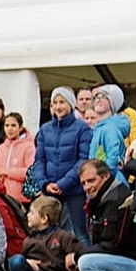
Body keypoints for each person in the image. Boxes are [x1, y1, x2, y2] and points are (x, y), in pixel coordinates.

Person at [69, 160, 136, 271]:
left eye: (91, 181)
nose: (87, 187)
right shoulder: (102, 199)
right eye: (84, 183)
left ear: (106, 175)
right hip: (129, 261)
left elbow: (112, 245)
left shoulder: (117, 199)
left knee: (87, 263)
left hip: (134, 261)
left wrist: (76, 257)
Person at [33, 86, 92, 247]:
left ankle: (84, 267)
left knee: (80, 232)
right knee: (49, 233)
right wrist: (44, 183)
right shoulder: (45, 130)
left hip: (75, 190)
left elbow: (83, 160)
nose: (58, 107)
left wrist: (63, 184)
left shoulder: (82, 128)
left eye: (62, 102)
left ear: (71, 105)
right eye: (55, 102)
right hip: (49, 189)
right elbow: (39, 160)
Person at [9, 196, 84, 271]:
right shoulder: (29, 240)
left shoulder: (64, 237)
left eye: (32, 213)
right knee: (15, 260)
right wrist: (28, 263)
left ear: (44, 219)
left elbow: (79, 262)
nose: (27, 215)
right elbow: (20, 266)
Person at [0, 112, 36, 205]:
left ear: (20, 128)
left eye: (13, 125)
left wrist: (7, 172)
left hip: (22, 198)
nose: (10, 129)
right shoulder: (0, 148)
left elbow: (30, 171)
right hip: (3, 197)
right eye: (7, 125)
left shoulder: (29, 146)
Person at [89, 84, 129, 186]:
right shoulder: (99, 128)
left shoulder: (109, 128)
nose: (98, 100)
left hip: (110, 183)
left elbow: (112, 158)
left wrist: (103, 180)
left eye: (104, 97)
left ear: (113, 102)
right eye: (97, 97)